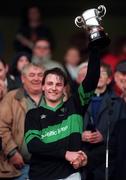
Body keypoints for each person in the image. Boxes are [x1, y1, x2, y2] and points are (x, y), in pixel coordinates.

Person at [24, 42, 102, 180]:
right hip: (40, 176)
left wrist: (95, 48)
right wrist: (65, 154)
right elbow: (34, 146)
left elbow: (91, 79)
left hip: (69, 175)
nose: (54, 88)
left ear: (64, 89)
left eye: (58, 84)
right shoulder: (33, 115)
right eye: (49, 83)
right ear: (42, 87)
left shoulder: (75, 106)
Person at [81, 63, 126, 180]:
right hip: (83, 156)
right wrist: (80, 135)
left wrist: (104, 136)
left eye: (103, 73)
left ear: (109, 79)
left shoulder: (118, 102)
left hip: (107, 159)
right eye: (96, 73)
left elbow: (122, 133)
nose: (99, 76)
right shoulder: (79, 101)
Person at [0, 63, 45, 179]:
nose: (36, 78)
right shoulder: (12, 97)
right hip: (21, 167)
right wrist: (12, 152)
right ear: (23, 78)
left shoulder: (53, 96)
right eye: (32, 75)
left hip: (50, 165)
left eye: (40, 75)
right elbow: (1, 126)